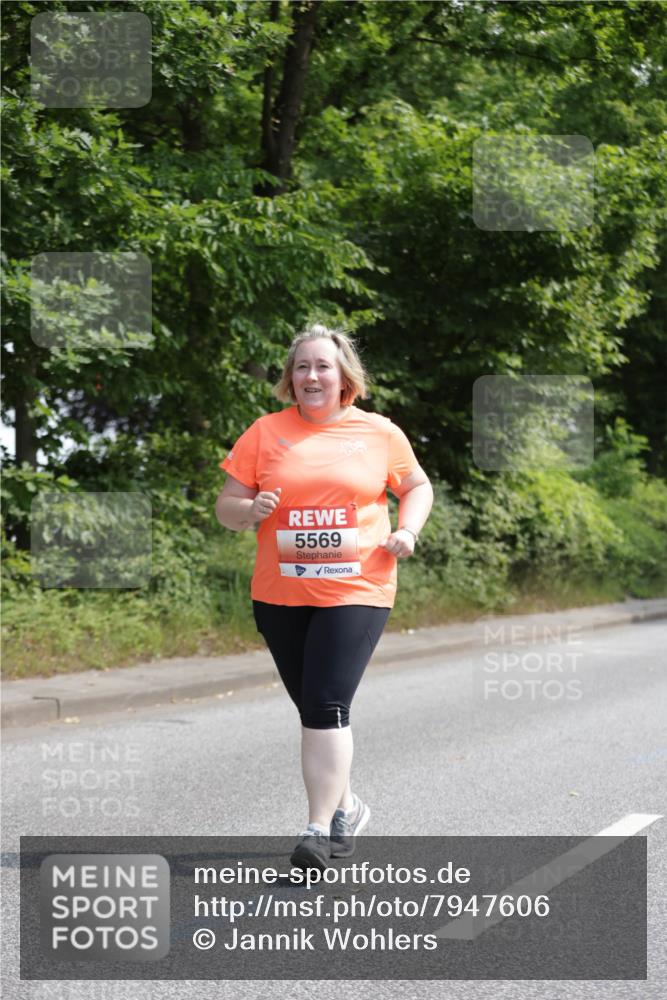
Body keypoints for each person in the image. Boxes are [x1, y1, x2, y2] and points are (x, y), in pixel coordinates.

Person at [215, 323, 433, 872]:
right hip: (280, 593)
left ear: (344, 378)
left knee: (327, 704)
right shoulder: (264, 432)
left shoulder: (379, 432)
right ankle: (350, 807)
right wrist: (250, 512)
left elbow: (416, 486)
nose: (312, 376)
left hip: (359, 587)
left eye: (323, 367)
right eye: (302, 367)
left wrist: (408, 530)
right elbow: (226, 507)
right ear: (291, 378)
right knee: (316, 710)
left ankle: (315, 830)